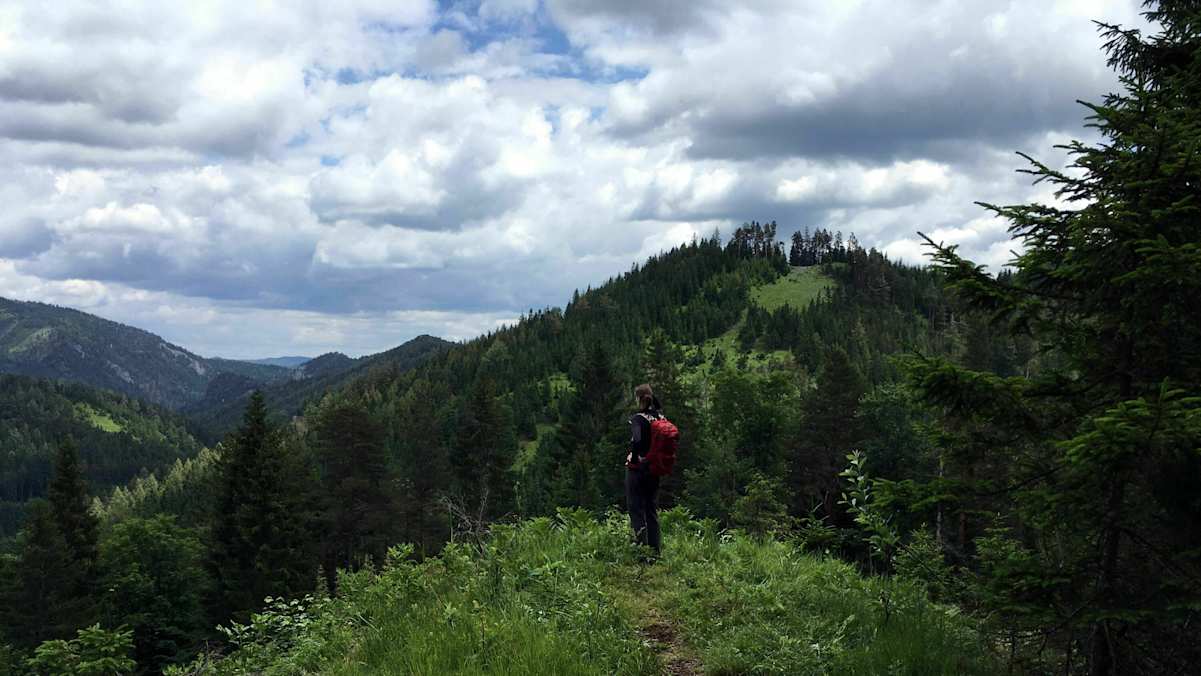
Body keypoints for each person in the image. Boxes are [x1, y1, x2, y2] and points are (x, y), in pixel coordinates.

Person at [626, 383, 663, 558]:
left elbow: (637, 441)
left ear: (639, 399)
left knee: (636, 508)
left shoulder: (638, 419)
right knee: (651, 509)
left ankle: (642, 550)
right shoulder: (660, 417)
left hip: (638, 470)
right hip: (655, 469)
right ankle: (655, 551)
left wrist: (633, 458)